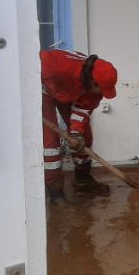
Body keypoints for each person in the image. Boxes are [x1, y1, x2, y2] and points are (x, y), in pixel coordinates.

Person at [41, 49, 118, 200]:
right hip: (44, 88)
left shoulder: (94, 89)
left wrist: (76, 133)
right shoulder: (55, 67)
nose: (102, 94)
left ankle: (82, 179)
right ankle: (55, 190)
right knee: (51, 145)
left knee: (84, 139)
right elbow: (26, 68)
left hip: (70, 90)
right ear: (92, 81)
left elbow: (83, 110)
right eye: (101, 89)